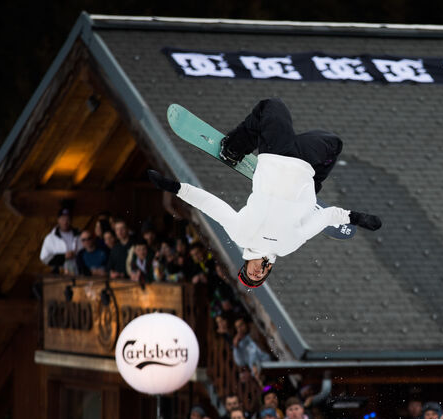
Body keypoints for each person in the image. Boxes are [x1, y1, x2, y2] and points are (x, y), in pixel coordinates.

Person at [148, 98, 381, 288]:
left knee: (271, 107)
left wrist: (176, 188)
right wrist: (357, 218)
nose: (257, 271)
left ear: (247, 263)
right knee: (334, 144)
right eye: (260, 275)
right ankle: (311, 184)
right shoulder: (288, 246)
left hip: (276, 156)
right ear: (267, 271)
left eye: (252, 272)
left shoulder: (242, 235)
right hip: (306, 167)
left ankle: (233, 148)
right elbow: (327, 217)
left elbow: (212, 206)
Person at [40, 207, 80, 274]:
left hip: (77, 272)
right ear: (58, 220)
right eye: (63, 219)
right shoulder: (50, 238)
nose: (65, 222)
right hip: (59, 273)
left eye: (68, 219)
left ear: (71, 220)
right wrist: (63, 256)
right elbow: (44, 258)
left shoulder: (78, 234)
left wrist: (76, 255)